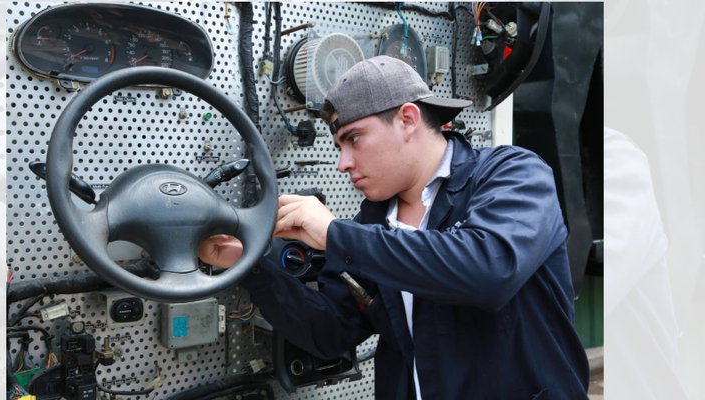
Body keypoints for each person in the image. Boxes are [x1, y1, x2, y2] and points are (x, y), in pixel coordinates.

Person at [199, 55, 589, 399]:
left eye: (354, 139)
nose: (343, 163)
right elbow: (330, 332)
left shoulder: (513, 174)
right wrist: (248, 264)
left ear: (407, 119)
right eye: (339, 147)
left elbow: (489, 269)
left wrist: (334, 234)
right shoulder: (374, 220)